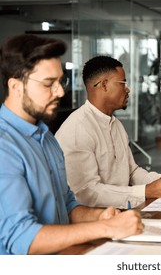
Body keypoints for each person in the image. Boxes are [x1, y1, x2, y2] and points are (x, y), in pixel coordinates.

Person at [0, 34, 143, 255]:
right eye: (49, 83)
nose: (60, 92)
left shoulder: (46, 138)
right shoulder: (4, 147)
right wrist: (104, 227)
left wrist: (100, 216)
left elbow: (66, 206)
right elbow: (21, 239)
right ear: (16, 86)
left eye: (61, 81)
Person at [55, 56, 161, 209]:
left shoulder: (116, 124)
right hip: (95, 222)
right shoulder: (78, 128)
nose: (127, 89)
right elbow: (87, 193)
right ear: (104, 85)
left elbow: (132, 172)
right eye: (123, 83)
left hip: (121, 212)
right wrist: (146, 191)